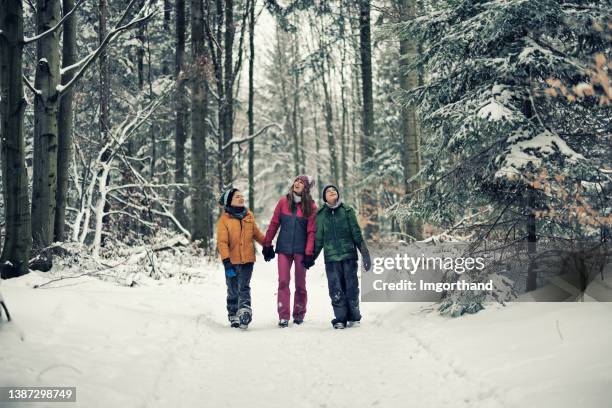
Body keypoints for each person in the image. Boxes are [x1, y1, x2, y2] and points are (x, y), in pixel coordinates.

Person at [313, 184, 371, 329]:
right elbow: (318, 239)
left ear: (338, 194)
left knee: (351, 288)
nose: (332, 192)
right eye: (328, 191)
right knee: (335, 289)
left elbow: (356, 233)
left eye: (334, 190)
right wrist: (311, 258)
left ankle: (354, 317)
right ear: (324, 197)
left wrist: (365, 254)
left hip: (349, 257)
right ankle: (340, 319)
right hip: (331, 259)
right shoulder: (320, 215)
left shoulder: (347, 211)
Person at [263, 175, 317, 328]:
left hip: (301, 250)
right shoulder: (283, 202)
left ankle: (299, 314)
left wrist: (309, 253)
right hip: (284, 249)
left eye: (301, 182)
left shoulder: (311, 207)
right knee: (283, 281)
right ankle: (283, 316)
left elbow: (311, 232)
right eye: (296, 181)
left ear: (306, 188)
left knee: (300, 284)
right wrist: (267, 244)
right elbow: (274, 223)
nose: (297, 183)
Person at [216, 188, 265, 330]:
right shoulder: (224, 220)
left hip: (247, 260)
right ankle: (233, 313)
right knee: (232, 289)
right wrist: (226, 261)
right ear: (229, 201)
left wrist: (267, 245)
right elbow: (222, 242)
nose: (241, 198)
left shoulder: (248, 216)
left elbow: (256, 234)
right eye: (237, 196)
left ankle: (244, 312)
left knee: (243, 287)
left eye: (242, 196)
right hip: (231, 261)